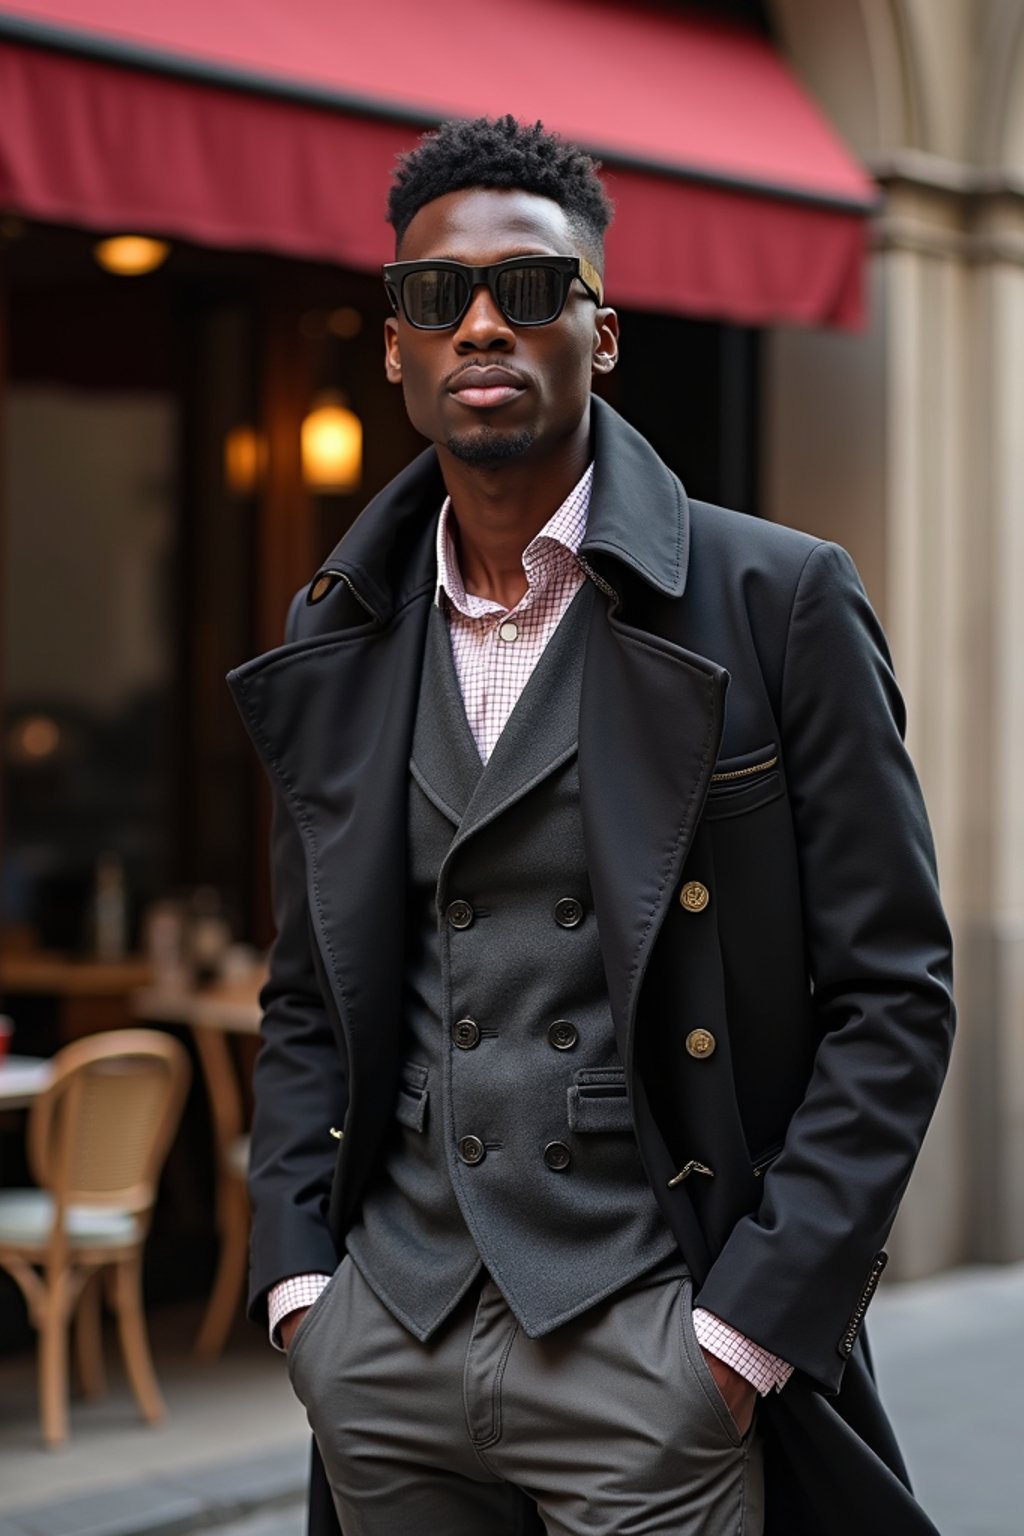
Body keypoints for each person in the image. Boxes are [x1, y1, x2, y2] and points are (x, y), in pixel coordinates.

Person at [228, 115, 954, 1536]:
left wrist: (740, 1341)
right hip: (391, 1346)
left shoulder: (778, 599)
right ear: (395, 350)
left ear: (602, 334)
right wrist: (302, 1288)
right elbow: (310, 989)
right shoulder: (344, 628)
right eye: (438, 299)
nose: (484, 323)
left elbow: (894, 999)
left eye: (534, 290)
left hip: (649, 1345)